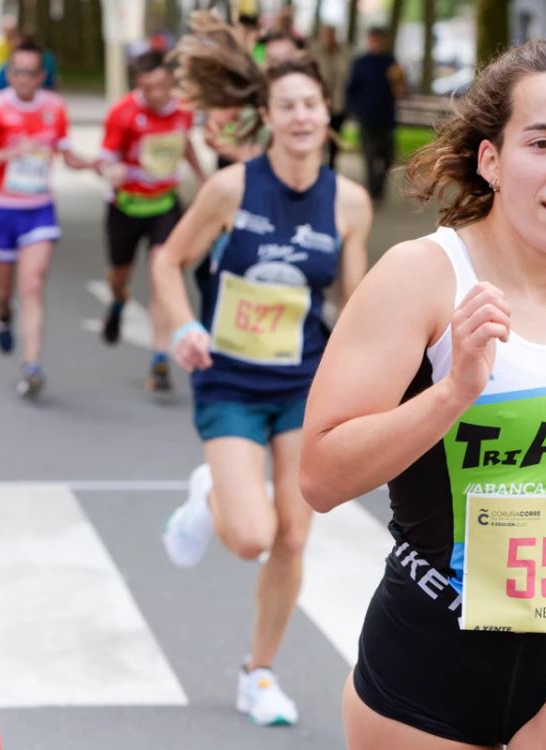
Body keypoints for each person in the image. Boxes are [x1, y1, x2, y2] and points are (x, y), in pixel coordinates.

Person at [300, 39, 546, 750]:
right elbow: (321, 476)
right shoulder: (421, 278)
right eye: (542, 143)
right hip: (429, 663)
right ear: (491, 158)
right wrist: (453, 392)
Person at [155, 12, 372, 727]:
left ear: (325, 112)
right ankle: (211, 490)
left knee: (294, 534)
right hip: (229, 378)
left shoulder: (348, 202)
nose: (302, 116)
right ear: (267, 117)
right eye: (287, 106)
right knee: (250, 535)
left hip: (304, 380)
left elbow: (357, 301)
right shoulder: (230, 188)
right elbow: (169, 260)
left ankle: (259, 674)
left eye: (311, 104)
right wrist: (183, 323)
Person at [0, 39, 95, 397]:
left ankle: (31, 365)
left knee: (33, 285)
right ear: (9, 74)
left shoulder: (55, 107)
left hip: (38, 209)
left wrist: (97, 165)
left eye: (32, 72)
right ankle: (3, 316)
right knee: (3, 290)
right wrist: (13, 152)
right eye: (18, 72)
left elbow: (66, 154)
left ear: (42, 76)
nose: (24, 79)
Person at [97, 50, 205, 392]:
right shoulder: (123, 113)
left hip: (164, 205)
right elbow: (106, 156)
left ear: (171, 81)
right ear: (138, 86)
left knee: (163, 273)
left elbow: (184, 142)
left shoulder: (183, 109)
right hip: (126, 206)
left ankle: (159, 357)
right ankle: (117, 300)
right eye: (149, 88)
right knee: (119, 275)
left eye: (163, 85)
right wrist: (110, 170)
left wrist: (204, 178)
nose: (158, 94)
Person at [205, 30, 299, 171]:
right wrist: (238, 153)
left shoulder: (303, 96)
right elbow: (210, 133)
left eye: (290, 59)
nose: (285, 66)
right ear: (263, 60)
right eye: (275, 59)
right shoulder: (244, 92)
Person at [346, 26, 406, 202]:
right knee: (370, 155)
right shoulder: (360, 63)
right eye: (374, 39)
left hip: (386, 117)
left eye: (380, 39)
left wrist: (399, 86)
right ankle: (374, 191)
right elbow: (351, 90)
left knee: (388, 155)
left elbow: (401, 89)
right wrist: (356, 110)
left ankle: (379, 184)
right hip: (366, 117)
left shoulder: (391, 63)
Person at [310, 24, 351, 169]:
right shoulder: (315, 53)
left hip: (338, 105)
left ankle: (331, 168)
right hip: (318, 104)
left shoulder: (344, 53)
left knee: (335, 141)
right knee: (317, 139)